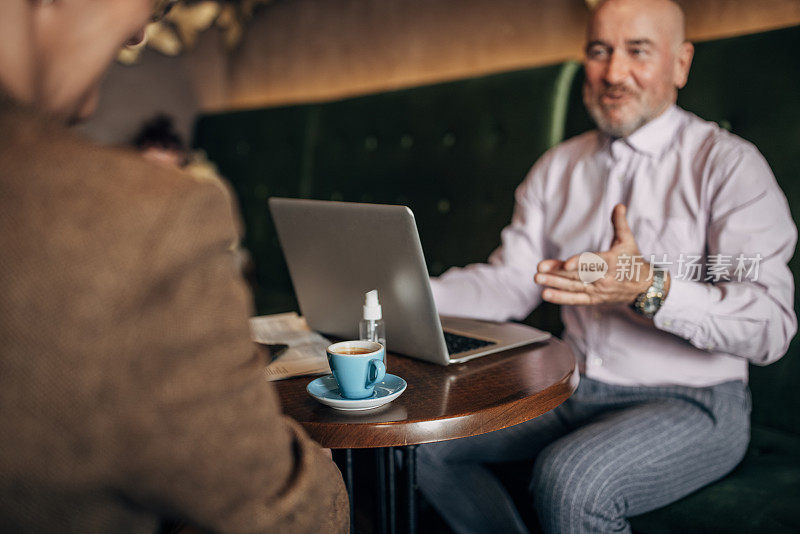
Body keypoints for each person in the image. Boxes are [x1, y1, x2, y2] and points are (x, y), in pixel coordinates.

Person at [417, 0, 797, 532]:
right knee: (422, 445)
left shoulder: (729, 165)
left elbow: (772, 327)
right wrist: (405, 295)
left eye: (637, 51)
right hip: (569, 387)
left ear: (681, 64)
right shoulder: (558, 167)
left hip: (695, 401)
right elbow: (510, 280)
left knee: (570, 481)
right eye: (600, 51)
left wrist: (651, 288)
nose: (614, 74)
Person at [0, 1, 347, 532]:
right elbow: (286, 515)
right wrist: (319, 476)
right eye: (149, 5)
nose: (141, 32)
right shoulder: (149, 220)